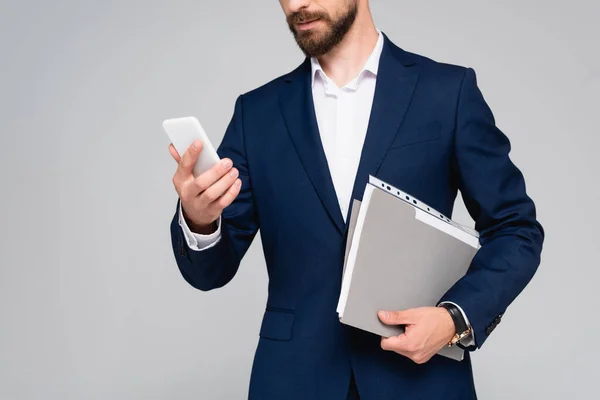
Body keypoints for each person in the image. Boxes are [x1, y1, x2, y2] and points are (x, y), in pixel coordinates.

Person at [168, 1, 544, 399]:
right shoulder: (256, 113)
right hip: (293, 381)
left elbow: (516, 229)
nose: (298, 4)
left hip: (420, 380)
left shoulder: (447, 92)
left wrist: (454, 320)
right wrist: (199, 220)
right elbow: (209, 272)